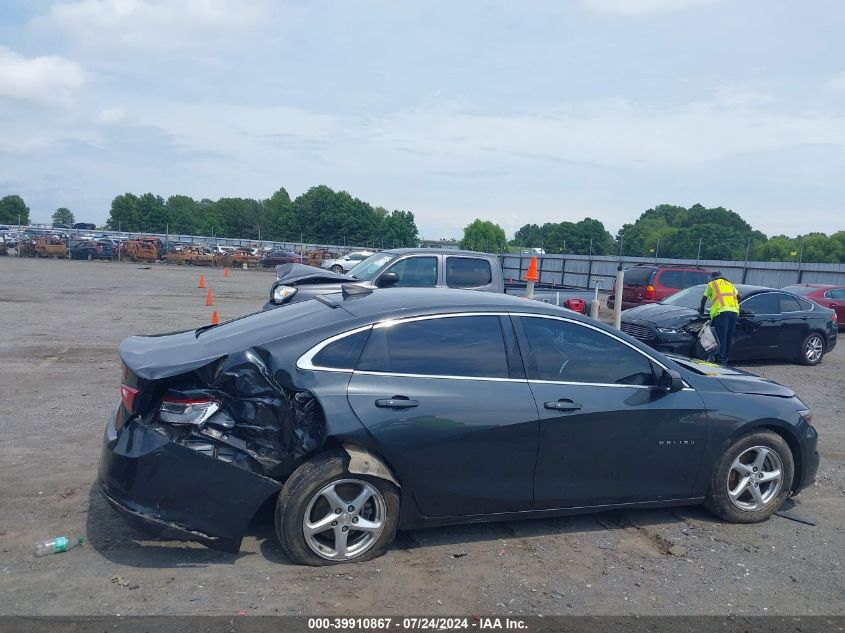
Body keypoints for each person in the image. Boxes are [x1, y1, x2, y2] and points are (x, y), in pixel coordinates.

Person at [699, 271, 741, 365]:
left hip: (721, 312)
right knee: (728, 337)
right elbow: (739, 298)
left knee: (721, 337)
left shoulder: (712, 284)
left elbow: (704, 299)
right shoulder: (730, 284)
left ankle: (720, 360)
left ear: (713, 278)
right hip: (734, 312)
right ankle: (725, 359)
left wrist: (701, 310)